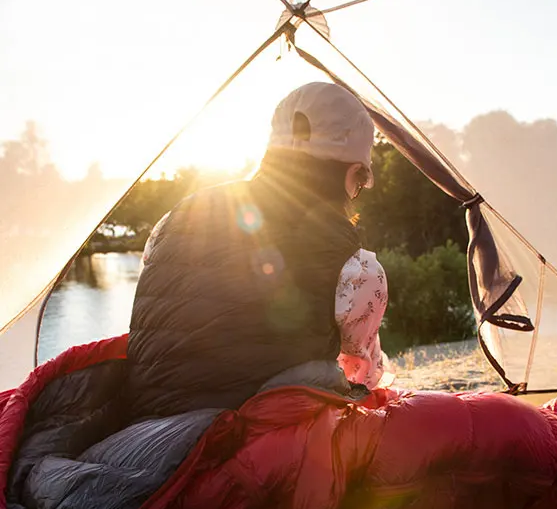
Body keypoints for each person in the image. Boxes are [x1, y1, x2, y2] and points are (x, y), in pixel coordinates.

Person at [126, 82, 393, 418]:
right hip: (238, 430)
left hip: (146, 416)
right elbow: (360, 369)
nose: (356, 194)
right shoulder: (356, 266)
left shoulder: (176, 215)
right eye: (360, 183)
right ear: (354, 172)